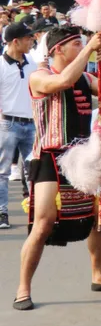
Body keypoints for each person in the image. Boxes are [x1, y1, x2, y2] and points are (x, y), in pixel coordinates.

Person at [13, 27, 101, 311]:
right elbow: (63, 81)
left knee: (99, 218)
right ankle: (22, 288)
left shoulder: (86, 77)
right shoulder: (40, 76)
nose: (81, 47)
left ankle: (99, 276)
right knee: (43, 223)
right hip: (49, 156)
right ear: (57, 50)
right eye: (75, 44)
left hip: (82, 156)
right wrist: (90, 48)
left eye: (81, 43)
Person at [0, 19, 36, 230]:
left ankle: (36, 210)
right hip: (8, 124)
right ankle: (2, 212)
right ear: (15, 41)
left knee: (34, 170)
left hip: (31, 124)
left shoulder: (32, 62)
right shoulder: (1, 65)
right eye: (26, 38)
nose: (30, 41)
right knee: (3, 171)